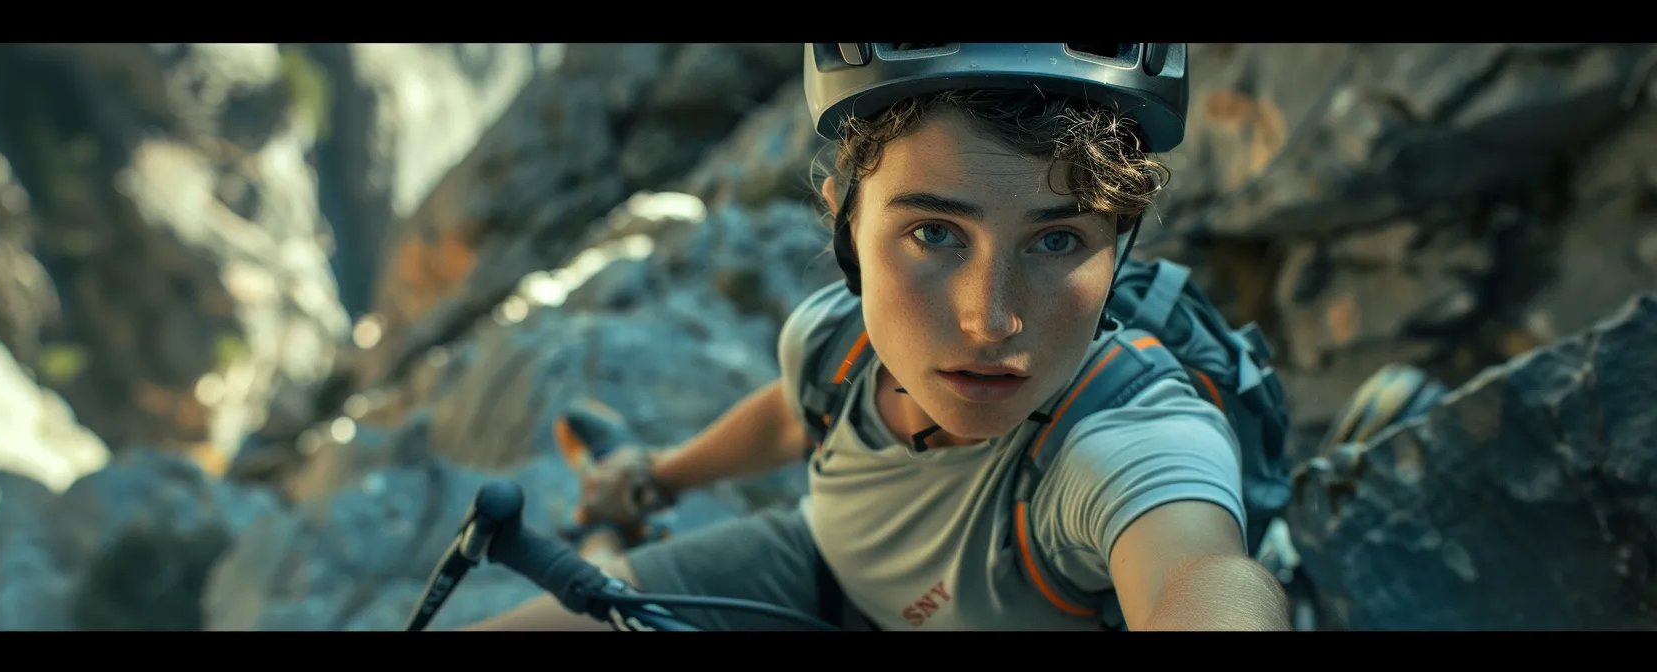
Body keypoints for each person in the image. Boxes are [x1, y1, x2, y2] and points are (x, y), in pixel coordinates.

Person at [465, 43, 1292, 632]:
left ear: (1122, 247)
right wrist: (659, 477)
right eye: (935, 233)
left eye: (1058, 240)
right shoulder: (837, 340)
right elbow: (793, 413)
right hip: (812, 566)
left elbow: (1199, 574)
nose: (990, 320)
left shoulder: (1128, 441)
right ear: (844, 218)